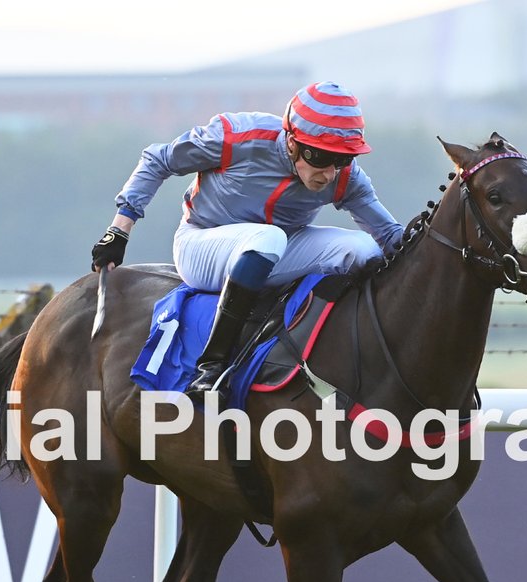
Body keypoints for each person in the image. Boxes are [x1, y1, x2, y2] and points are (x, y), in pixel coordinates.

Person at [90, 81, 404, 398]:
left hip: (278, 248)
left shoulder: (346, 178)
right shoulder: (238, 137)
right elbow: (157, 159)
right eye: (322, 157)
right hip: (202, 244)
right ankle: (211, 368)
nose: (332, 174)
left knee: (363, 249)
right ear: (293, 142)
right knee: (269, 237)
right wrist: (120, 229)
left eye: (343, 160)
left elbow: (391, 238)